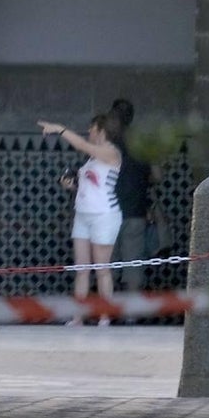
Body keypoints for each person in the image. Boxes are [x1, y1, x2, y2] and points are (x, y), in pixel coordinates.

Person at [38, 114, 123, 326]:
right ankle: (78, 316)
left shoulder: (110, 152)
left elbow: (83, 146)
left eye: (92, 128)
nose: (89, 132)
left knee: (102, 268)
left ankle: (105, 315)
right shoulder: (93, 159)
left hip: (104, 215)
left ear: (101, 130)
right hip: (83, 214)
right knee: (81, 268)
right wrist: (72, 186)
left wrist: (60, 128)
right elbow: (92, 186)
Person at [106, 98, 154, 294]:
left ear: (115, 119)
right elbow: (157, 175)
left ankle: (106, 313)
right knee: (133, 265)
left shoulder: (106, 146)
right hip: (136, 212)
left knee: (107, 266)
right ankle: (131, 315)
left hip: (108, 213)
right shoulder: (142, 145)